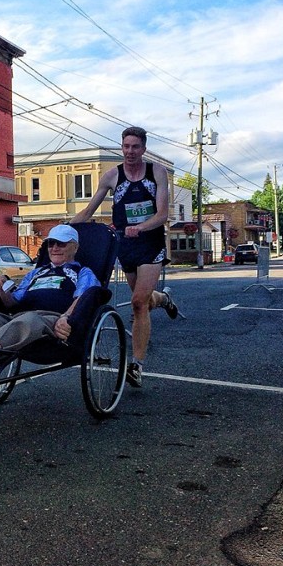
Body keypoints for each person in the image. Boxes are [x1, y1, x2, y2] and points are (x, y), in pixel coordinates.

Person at [70, 126, 177, 389]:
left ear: (144, 148)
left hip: (150, 244)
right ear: (122, 147)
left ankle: (137, 366)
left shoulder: (157, 173)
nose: (130, 151)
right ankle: (163, 298)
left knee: (138, 303)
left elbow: (162, 214)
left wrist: (140, 228)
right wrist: (65, 229)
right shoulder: (111, 176)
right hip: (125, 246)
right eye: (126, 146)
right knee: (146, 300)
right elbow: (89, 210)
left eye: (135, 147)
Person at [0, 224, 100, 378]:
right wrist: (1, 289)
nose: (55, 248)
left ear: (75, 247)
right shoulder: (36, 273)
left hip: (53, 319)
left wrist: (66, 317)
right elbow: (13, 303)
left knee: (30, 319)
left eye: (61, 243)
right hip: (21, 315)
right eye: (51, 243)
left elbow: (84, 297)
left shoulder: (82, 272)